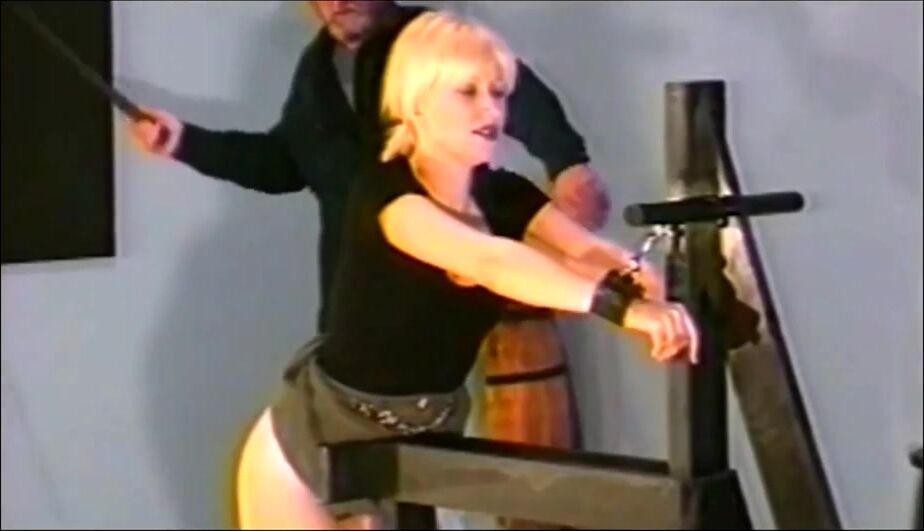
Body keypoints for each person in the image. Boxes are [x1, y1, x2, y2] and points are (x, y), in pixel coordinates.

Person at [233, 10, 699, 529]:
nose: (490, 110)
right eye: (467, 92)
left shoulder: (504, 195)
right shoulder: (387, 194)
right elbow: (489, 260)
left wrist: (639, 281)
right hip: (318, 440)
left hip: (420, 439)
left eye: (498, 93)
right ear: (417, 101)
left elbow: (585, 251)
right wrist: (622, 308)